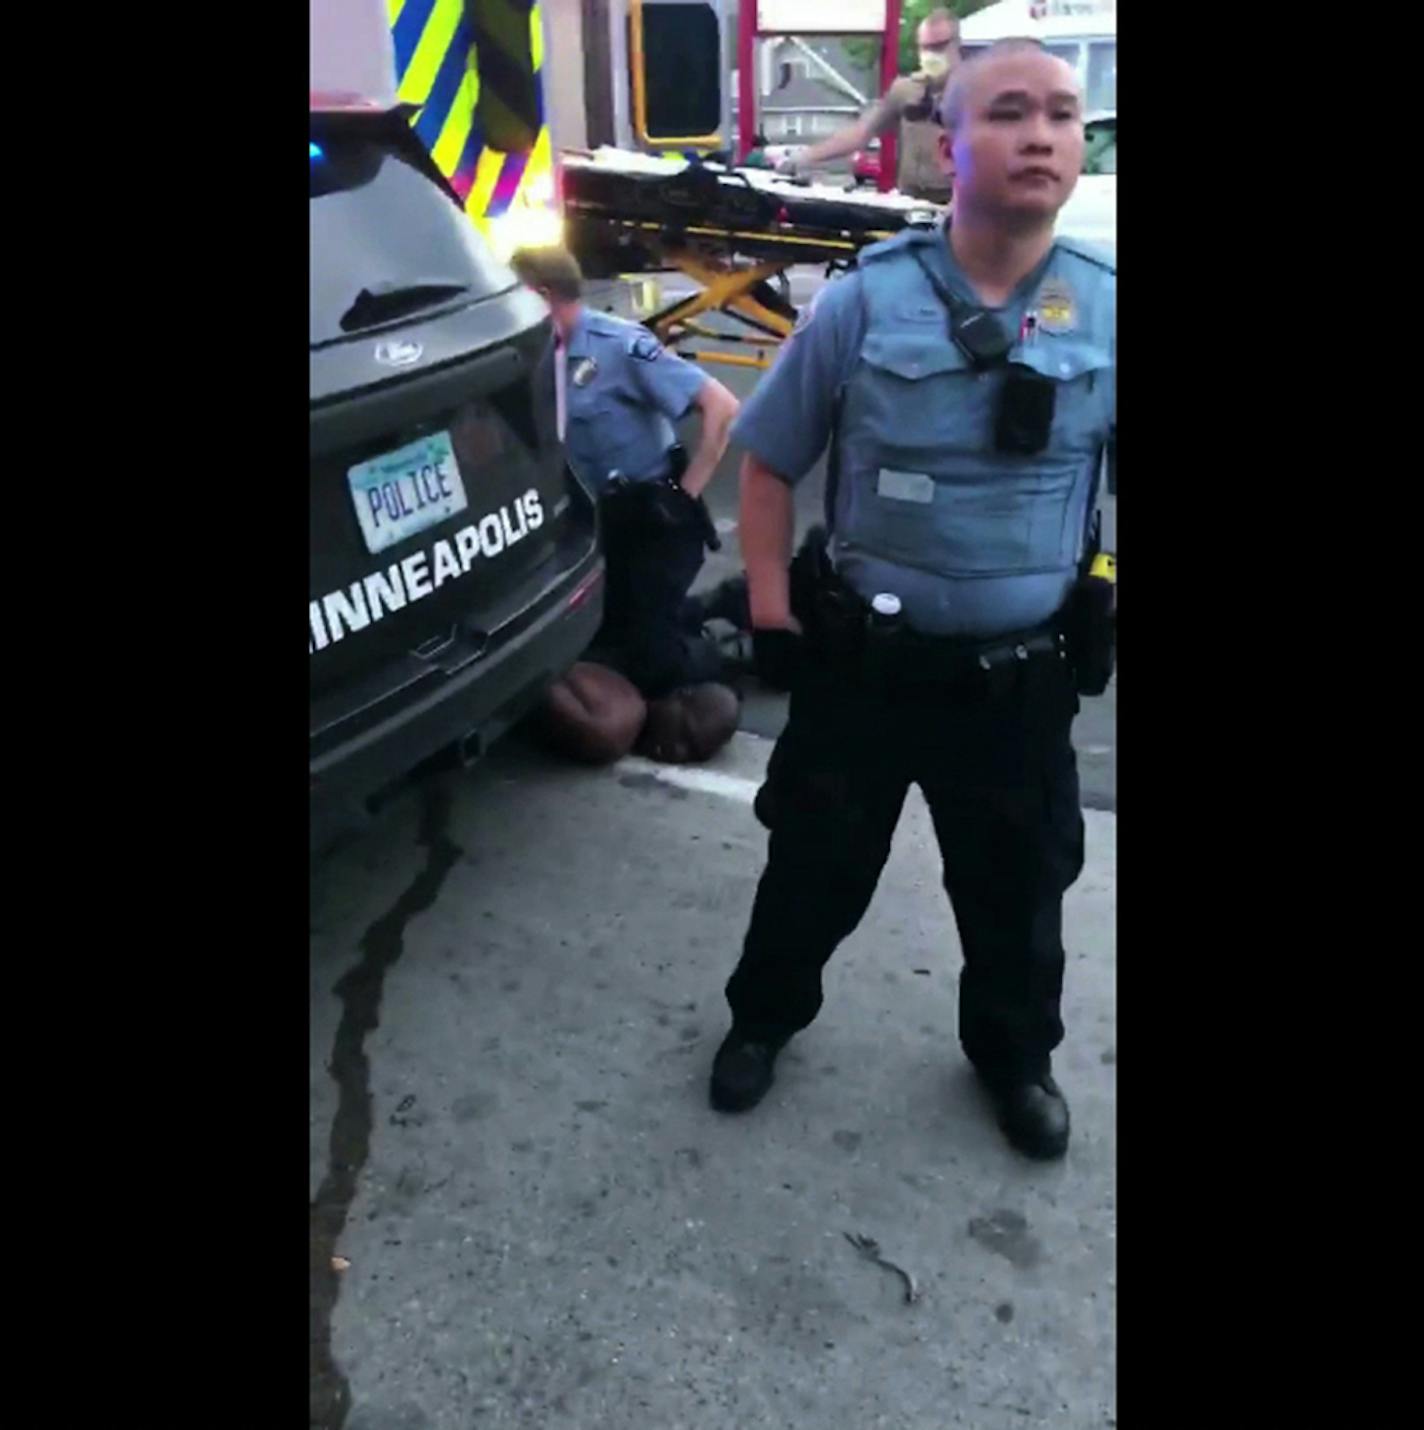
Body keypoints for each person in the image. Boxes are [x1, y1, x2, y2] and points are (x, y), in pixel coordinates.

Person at [709, 38, 1116, 1161]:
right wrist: (773, 611)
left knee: (1020, 895)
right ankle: (761, 1019)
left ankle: (1013, 1058)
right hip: (863, 670)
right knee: (811, 865)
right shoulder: (866, 299)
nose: (1038, 134)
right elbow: (766, 462)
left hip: (1020, 677)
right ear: (948, 146)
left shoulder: (1107, 307)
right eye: (1008, 113)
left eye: (1061, 114)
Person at [510, 245, 743, 764]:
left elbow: (722, 408)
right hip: (594, 522)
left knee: (651, 656)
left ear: (540, 295)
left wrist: (686, 493)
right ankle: (691, 615)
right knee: (598, 636)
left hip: (653, 518)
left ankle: (717, 647)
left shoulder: (617, 345)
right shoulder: (536, 355)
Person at [776, 7, 961, 204]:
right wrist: (804, 157)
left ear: (956, 44)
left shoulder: (976, 91)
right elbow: (861, 133)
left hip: (958, 205)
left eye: (938, 46)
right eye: (924, 47)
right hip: (912, 204)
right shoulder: (906, 90)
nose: (930, 55)